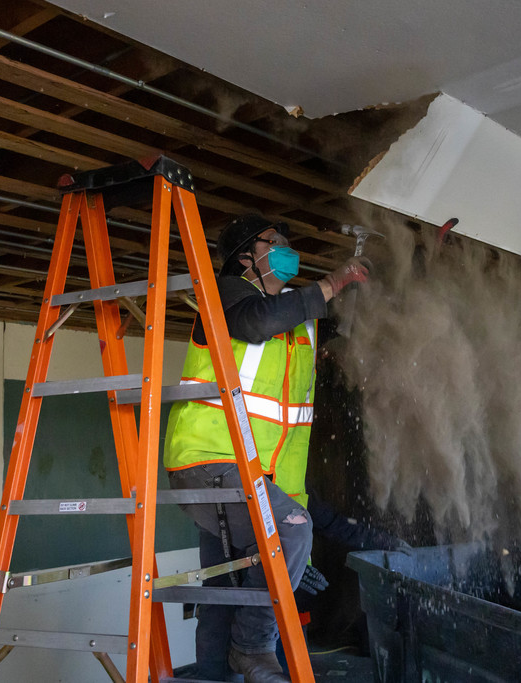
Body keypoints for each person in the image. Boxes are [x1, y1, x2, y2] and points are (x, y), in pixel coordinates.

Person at [163, 213, 370, 683]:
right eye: (274, 242)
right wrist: (334, 281)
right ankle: (253, 648)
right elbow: (257, 323)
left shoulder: (300, 328)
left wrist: (408, 265)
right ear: (245, 256)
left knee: (224, 589)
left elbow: (350, 312)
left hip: (251, 479)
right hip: (207, 462)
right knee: (292, 531)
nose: (286, 248)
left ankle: (218, 674)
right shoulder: (228, 295)